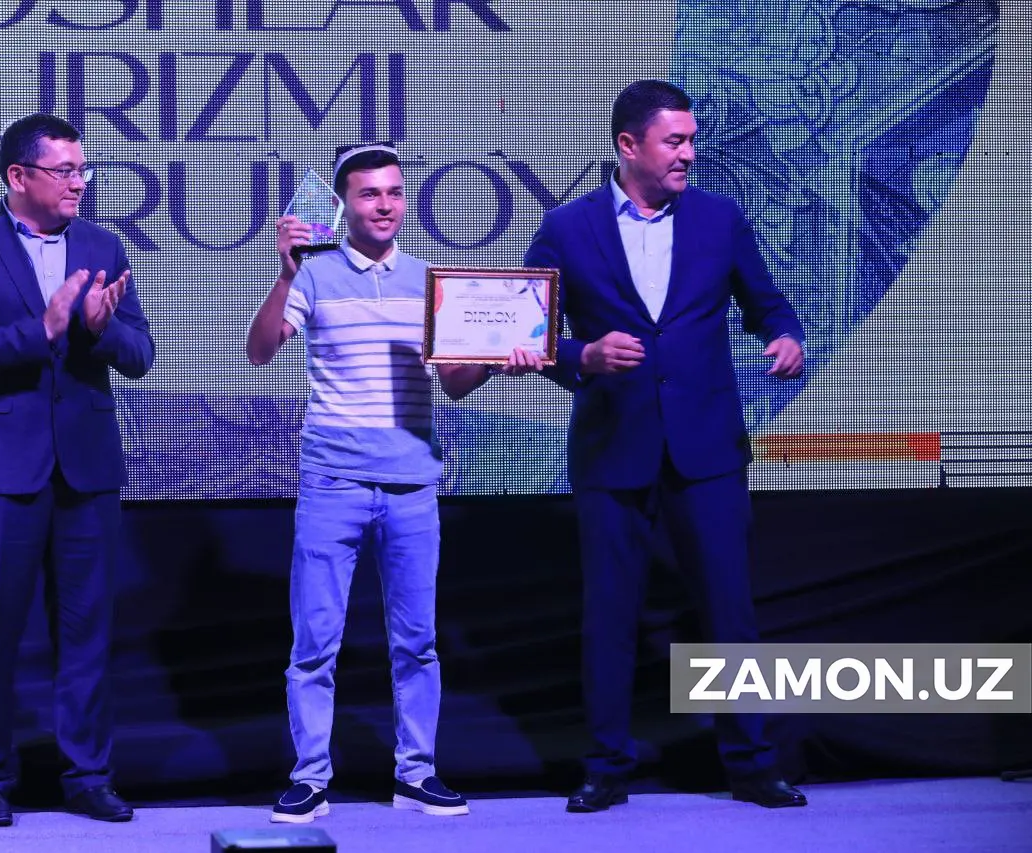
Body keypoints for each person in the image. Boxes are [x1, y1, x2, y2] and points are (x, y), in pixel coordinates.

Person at [522, 80, 808, 811]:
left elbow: (767, 303)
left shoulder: (719, 218)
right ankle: (605, 767)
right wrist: (583, 356)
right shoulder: (565, 227)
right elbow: (525, 333)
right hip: (613, 448)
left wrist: (785, 336)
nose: (689, 153)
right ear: (628, 145)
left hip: (706, 447)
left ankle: (753, 764)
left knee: (729, 612)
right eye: (674, 141)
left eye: (691, 140)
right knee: (609, 616)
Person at [246, 143, 540, 823]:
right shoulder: (314, 274)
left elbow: (455, 382)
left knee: (417, 642)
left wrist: (496, 361)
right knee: (314, 644)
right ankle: (309, 777)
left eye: (395, 192)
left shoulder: (431, 281)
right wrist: (285, 274)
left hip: (411, 483)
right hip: (333, 481)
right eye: (370, 193)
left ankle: (417, 772)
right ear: (344, 205)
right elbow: (259, 351)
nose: (385, 205)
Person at [0, 113, 155, 826]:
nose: (79, 183)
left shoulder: (102, 245)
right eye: (65, 171)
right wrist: (45, 329)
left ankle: (87, 775)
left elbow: (141, 354)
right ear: (18, 176)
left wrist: (98, 329)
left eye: (83, 170)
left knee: (87, 633)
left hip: (87, 469)